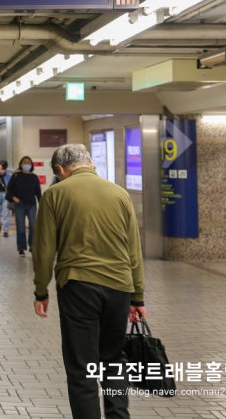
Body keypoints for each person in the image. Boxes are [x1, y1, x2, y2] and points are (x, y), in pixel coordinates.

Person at [33, 143, 146, 419]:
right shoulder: (119, 194)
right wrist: (137, 297)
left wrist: (40, 291)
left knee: (82, 367)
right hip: (119, 287)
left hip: (78, 286)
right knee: (113, 360)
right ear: (90, 163)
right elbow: (134, 249)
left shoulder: (55, 194)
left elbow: (44, 249)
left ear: (60, 170)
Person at [5, 155, 42, 256]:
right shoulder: (16, 176)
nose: (27, 164)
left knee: (33, 226)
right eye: (24, 162)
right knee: (21, 227)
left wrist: (42, 203)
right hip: (19, 205)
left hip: (32, 205)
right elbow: (9, 191)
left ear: (31, 165)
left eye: (28, 162)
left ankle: (32, 246)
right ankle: (21, 248)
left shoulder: (34, 177)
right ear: (21, 164)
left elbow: (38, 192)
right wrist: (14, 198)